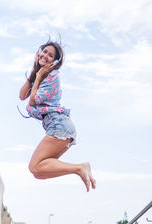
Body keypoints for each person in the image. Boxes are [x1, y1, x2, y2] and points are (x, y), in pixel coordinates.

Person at [19, 40, 96, 192]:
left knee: (34, 166)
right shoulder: (40, 76)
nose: (46, 56)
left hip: (59, 126)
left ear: (54, 61)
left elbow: (32, 101)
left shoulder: (52, 76)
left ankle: (80, 167)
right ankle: (79, 168)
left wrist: (40, 75)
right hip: (60, 127)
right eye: (44, 51)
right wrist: (35, 72)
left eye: (50, 55)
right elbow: (22, 95)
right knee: (39, 172)